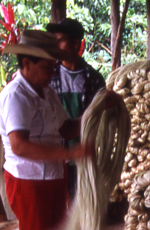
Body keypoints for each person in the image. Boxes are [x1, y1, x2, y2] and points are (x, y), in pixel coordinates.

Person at [0, 30, 91, 230]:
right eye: (48, 67)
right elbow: (20, 146)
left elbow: (65, 128)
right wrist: (73, 152)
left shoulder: (47, 92)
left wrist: (95, 114)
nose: (53, 73)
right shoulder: (15, 96)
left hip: (53, 175)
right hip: (28, 181)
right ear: (27, 63)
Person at [45, 18, 106, 199]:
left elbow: (100, 120)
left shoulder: (94, 79)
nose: (56, 45)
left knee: (81, 212)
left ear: (75, 44)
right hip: (56, 157)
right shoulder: (48, 75)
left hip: (82, 158)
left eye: (60, 40)